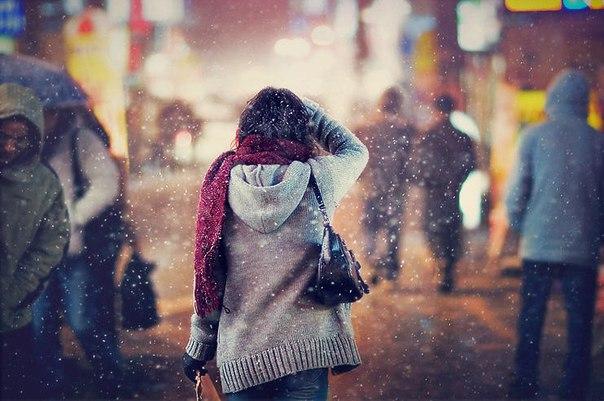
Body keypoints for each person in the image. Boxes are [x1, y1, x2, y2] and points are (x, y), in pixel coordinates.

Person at [182, 87, 368, 400]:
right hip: (307, 351)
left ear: (243, 131)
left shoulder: (221, 185)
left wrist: (199, 344)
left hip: (243, 354)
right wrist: (306, 109)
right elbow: (355, 150)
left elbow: (210, 275)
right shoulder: (318, 178)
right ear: (302, 130)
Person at [505, 70, 604, 400]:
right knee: (580, 323)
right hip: (582, 248)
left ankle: (525, 382)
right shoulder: (597, 141)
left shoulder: (535, 136)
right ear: (583, 101)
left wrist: (523, 225)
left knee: (532, 318)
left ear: (551, 98)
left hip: (539, 244)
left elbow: (518, 188)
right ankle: (574, 386)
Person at [31, 106, 125, 398]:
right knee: (40, 328)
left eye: (48, 114)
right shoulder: (21, 146)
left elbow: (107, 184)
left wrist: (73, 216)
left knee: (84, 322)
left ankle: (113, 383)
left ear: (58, 113)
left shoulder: (78, 139)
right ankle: (54, 390)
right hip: (35, 257)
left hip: (74, 254)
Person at [0, 83, 70, 399]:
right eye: (4, 136)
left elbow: (51, 243)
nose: (10, 147)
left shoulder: (42, 184)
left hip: (12, 320)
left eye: (20, 139)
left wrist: (16, 291)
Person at [413, 95, 476, 293]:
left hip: (433, 194)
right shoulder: (462, 137)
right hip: (453, 193)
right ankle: (447, 267)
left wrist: (429, 181)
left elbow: (417, 167)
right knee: (451, 232)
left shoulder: (427, 135)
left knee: (432, 231)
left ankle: (440, 264)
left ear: (435, 110)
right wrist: (455, 182)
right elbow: (470, 163)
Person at [357, 87, 416, 282]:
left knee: (370, 227)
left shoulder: (365, 128)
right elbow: (410, 162)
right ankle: (389, 264)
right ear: (398, 106)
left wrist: (362, 179)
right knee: (393, 229)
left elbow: (358, 159)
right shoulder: (405, 130)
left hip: (371, 188)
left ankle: (373, 258)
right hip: (395, 190)